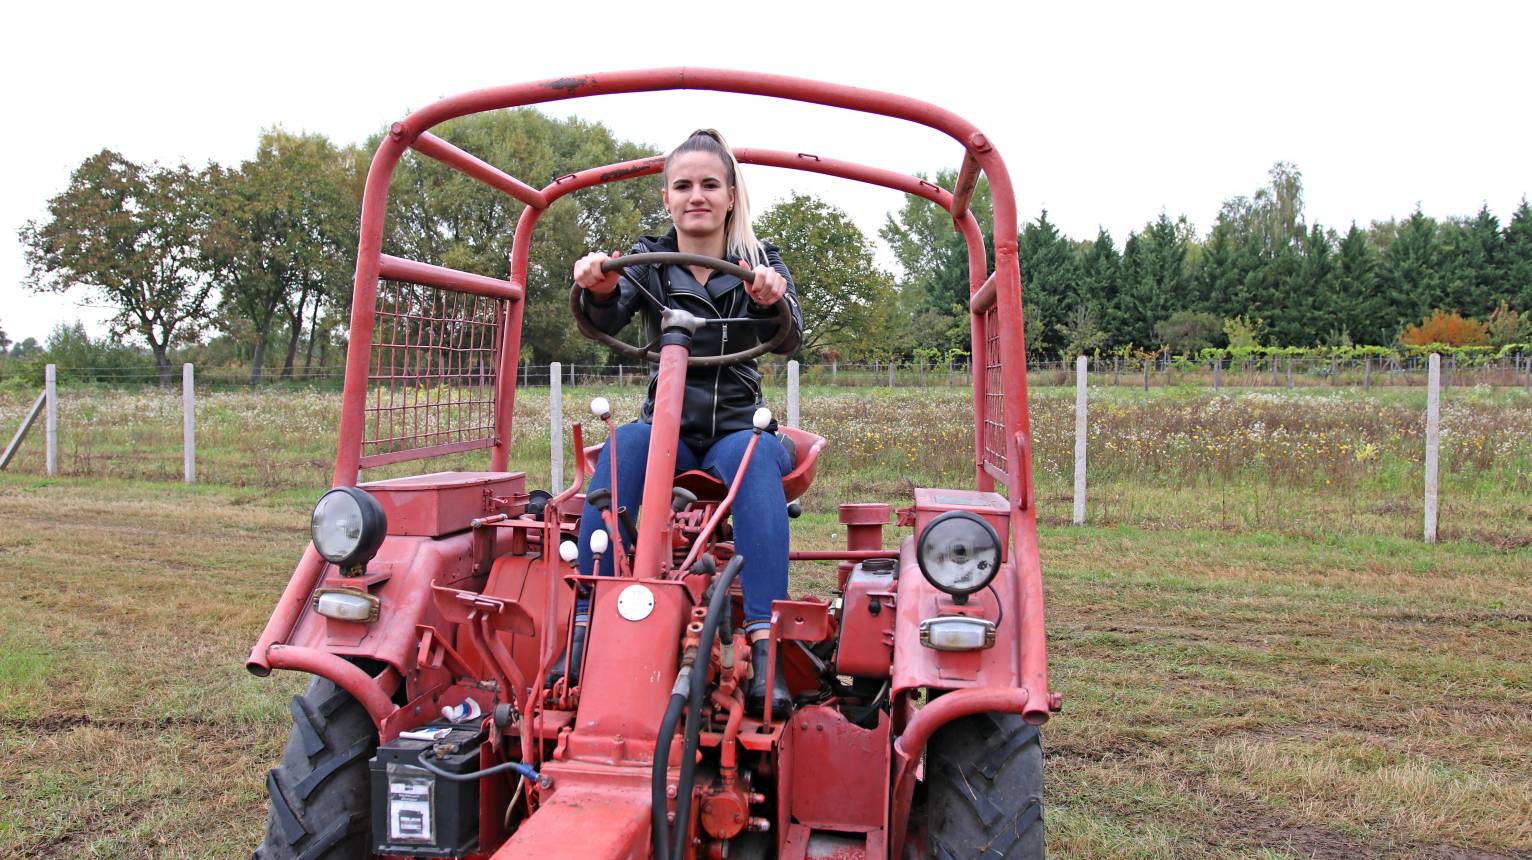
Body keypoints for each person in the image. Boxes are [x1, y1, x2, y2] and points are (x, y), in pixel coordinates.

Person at [563, 128, 803, 716]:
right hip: (663, 425)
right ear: (667, 197)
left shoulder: (760, 263)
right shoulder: (649, 262)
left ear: (729, 195)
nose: (697, 195)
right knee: (619, 455)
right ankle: (585, 632)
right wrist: (600, 283)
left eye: (710, 184)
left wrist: (772, 300)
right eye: (683, 185)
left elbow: (790, 337)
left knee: (754, 462)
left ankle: (765, 648)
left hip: (734, 426)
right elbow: (610, 313)